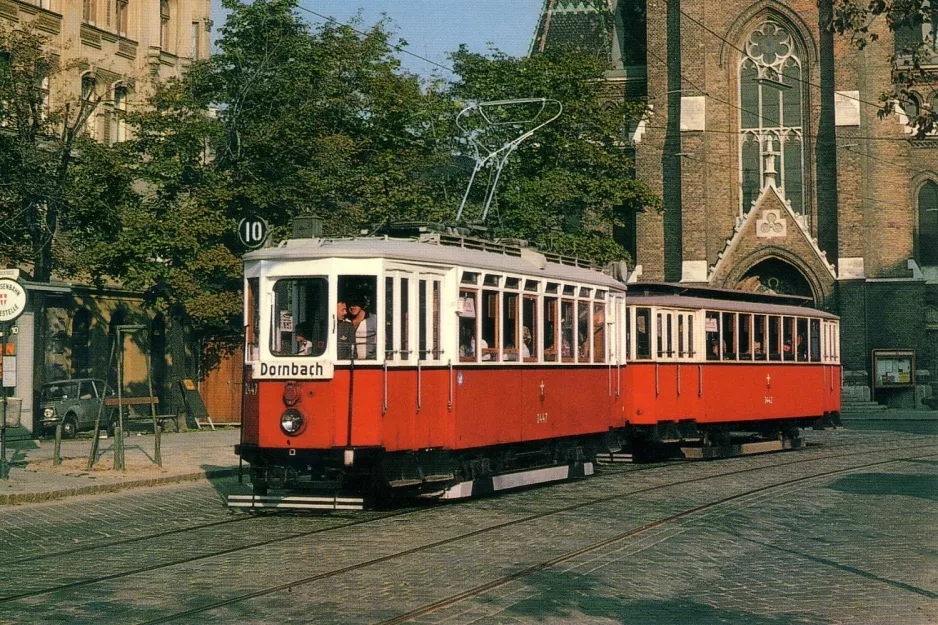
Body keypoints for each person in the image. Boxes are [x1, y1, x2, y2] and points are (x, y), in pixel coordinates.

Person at [347, 294, 377, 360]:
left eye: (355, 303)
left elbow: (383, 340)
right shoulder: (345, 319)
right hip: (348, 362)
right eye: (349, 304)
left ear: (362, 304)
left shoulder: (373, 319)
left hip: (370, 363)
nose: (352, 307)